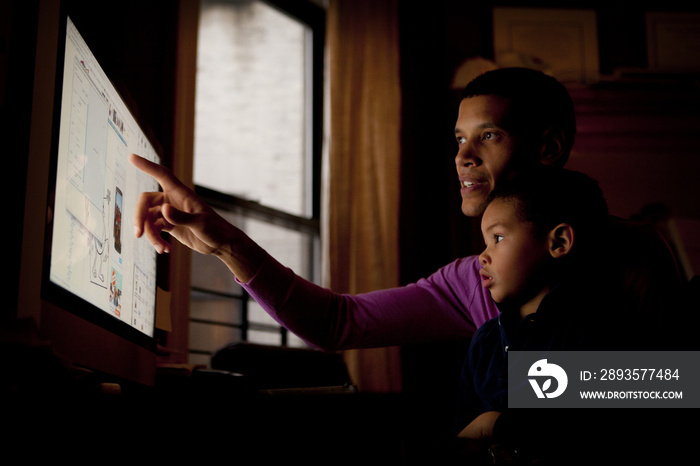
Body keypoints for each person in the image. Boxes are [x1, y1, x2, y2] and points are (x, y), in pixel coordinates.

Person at [130, 67, 680, 352]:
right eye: (458, 138)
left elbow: (670, 385)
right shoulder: (473, 282)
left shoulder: (634, 250)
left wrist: (512, 409)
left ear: (549, 149)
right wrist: (224, 242)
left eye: (487, 136)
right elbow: (336, 322)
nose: (462, 156)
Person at [453, 168, 625, 462]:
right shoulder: (487, 340)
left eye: (497, 237)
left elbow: (589, 427)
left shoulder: (592, 326)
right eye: (484, 241)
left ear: (558, 243)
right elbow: (463, 427)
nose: (482, 255)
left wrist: (496, 425)